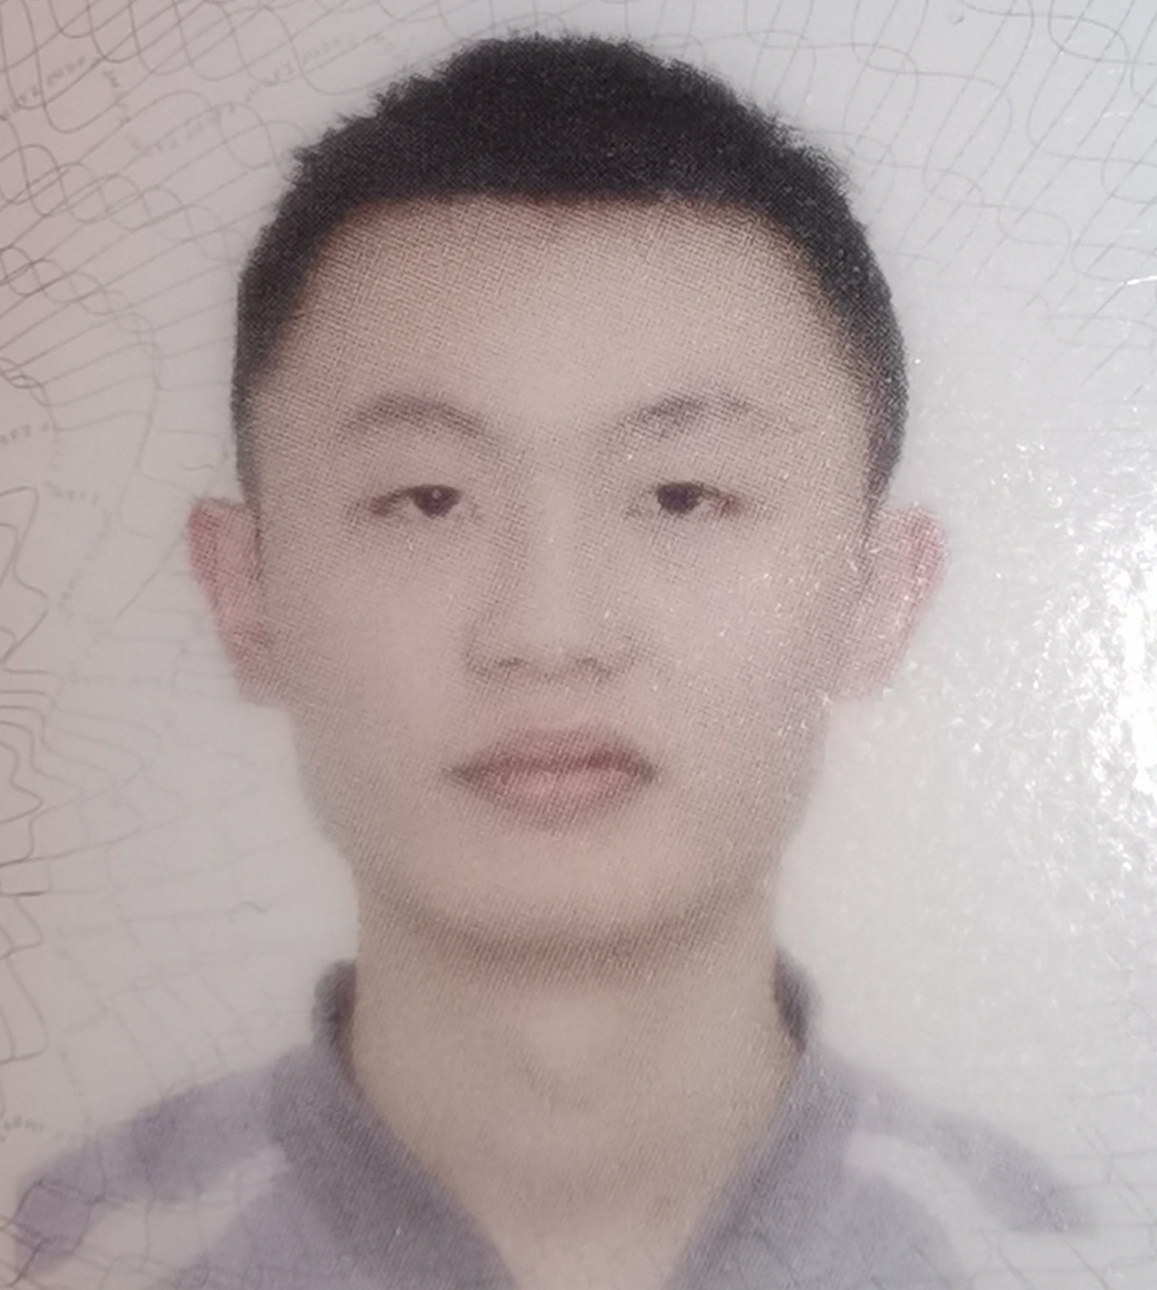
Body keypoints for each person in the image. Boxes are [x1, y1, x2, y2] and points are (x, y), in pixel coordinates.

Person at [12, 32, 1084, 1290]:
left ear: (879, 595)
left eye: (680, 496)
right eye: (426, 500)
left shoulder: (1068, 1260)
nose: (548, 633)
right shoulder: (68, 1257)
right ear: (243, 592)